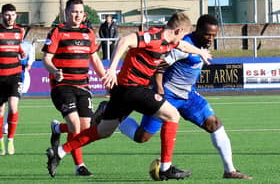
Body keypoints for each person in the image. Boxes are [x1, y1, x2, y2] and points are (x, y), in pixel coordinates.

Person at [46, 12, 211, 180]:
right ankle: (165, 168)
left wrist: (200, 52)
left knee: (103, 131)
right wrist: (111, 68)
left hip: (122, 92)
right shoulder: (153, 36)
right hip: (134, 88)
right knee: (172, 115)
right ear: (178, 30)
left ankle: (59, 152)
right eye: (184, 33)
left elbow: (183, 45)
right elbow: (124, 41)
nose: (183, 38)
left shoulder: (170, 41)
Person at [118, 14, 253, 179]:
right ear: (197, 30)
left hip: (188, 97)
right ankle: (114, 115)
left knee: (214, 123)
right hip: (168, 95)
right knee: (142, 137)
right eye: (207, 34)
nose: (210, 38)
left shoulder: (201, 45)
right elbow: (159, 67)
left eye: (213, 35)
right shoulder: (183, 45)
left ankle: (230, 170)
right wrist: (159, 89)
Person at [42, 0, 106, 176]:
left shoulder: (89, 33)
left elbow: (94, 59)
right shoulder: (58, 31)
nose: (77, 15)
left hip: (83, 86)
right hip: (62, 85)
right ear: (66, 13)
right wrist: (54, 71)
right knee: (75, 125)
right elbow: (46, 59)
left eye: (80, 12)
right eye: (73, 11)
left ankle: (57, 129)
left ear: (83, 14)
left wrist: (106, 79)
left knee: (85, 128)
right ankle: (80, 166)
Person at [0, 3, 26, 155]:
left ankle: (10, 140)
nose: (10, 18)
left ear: (16, 16)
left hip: (14, 75)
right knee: (0, 110)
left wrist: (22, 52)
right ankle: (0, 142)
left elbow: (17, 46)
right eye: (7, 15)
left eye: (13, 15)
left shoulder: (19, 31)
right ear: (2, 15)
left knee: (13, 107)